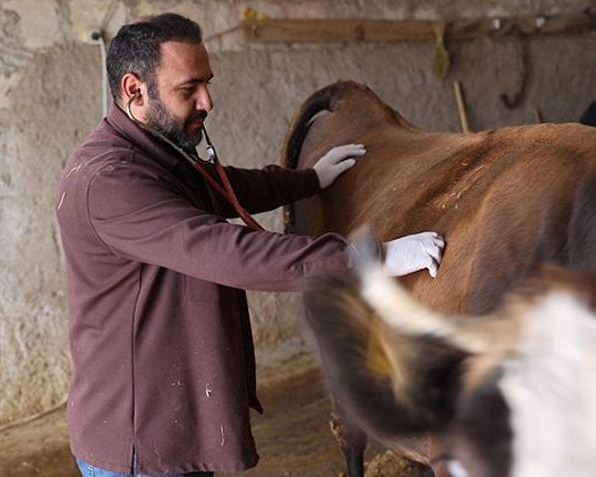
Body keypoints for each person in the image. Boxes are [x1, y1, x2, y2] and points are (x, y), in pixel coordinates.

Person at [56, 12, 445, 477]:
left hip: (169, 417)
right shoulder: (109, 181)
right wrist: (369, 258)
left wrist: (309, 180)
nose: (207, 101)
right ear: (134, 90)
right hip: (140, 439)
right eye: (189, 88)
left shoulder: (155, 152)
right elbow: (225, 250)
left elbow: (223, 186)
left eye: (208, 83)